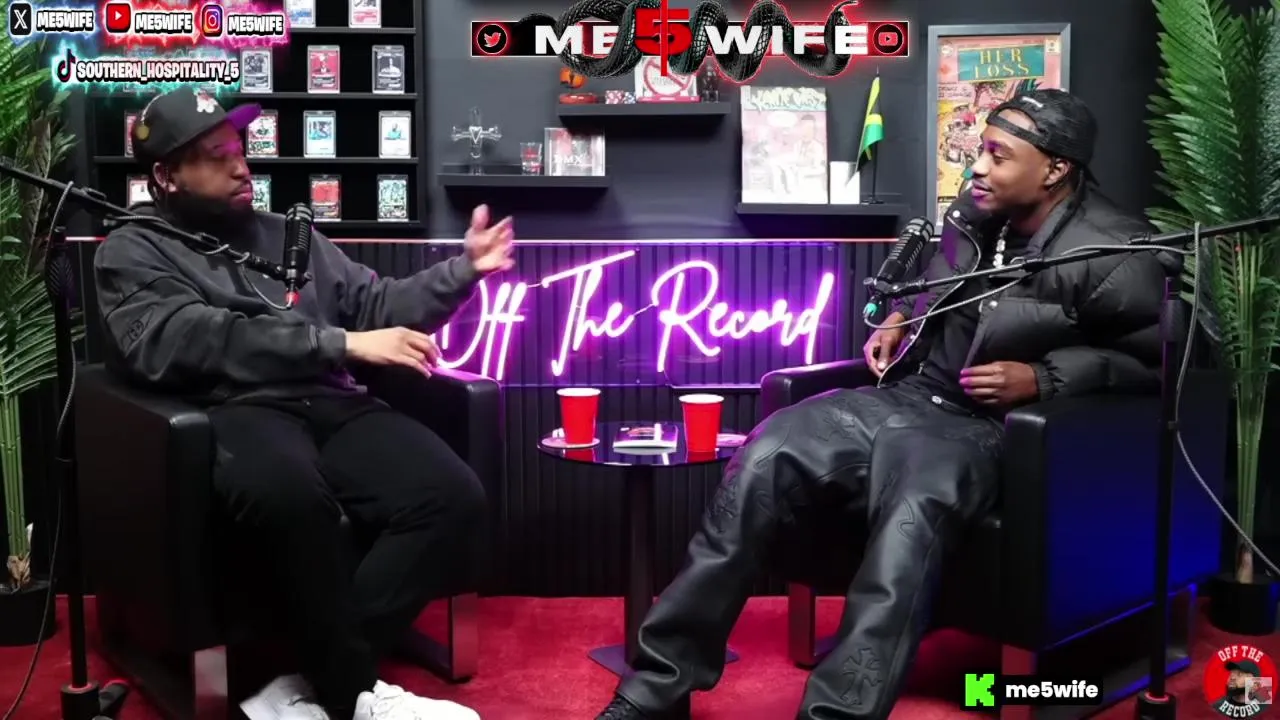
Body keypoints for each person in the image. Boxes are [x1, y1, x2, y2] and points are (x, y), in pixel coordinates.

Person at [596, 89, 1177, 720]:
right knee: (769, 449)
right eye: (981, 151)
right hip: (910, 394)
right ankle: (658, 686)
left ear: (1056, 169)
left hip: (991, 428)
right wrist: (905, 315)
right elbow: (944, 287)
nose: (977, 168)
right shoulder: (976, 213)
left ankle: (837, 714)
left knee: (913, 501)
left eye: (998, 155)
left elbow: (1164, 365)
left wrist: (1045, 378)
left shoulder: (1116, 251)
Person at [94, 87, 515, 720]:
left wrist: (464, 271)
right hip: (232, 410)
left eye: (240, 150)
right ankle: (353, 693)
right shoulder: (133, 249)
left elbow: (375, 304)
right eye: (216, 156)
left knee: (453, 498)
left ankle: (305, 682)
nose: (241, 167)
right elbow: (188, 338)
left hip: (331, 400)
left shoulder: (289, 235)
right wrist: (338, 343)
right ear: (166, 176)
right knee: (289, 494)